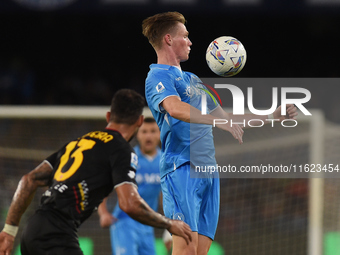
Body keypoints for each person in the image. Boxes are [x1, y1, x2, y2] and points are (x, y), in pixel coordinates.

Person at [142, 11, 298, 255]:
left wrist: (272, 116)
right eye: (185, 36)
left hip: (208, 172)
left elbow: (228, 119)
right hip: (181, 168)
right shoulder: (157, 76)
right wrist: (217, 122)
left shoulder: (193, 80)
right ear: (169, 39)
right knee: (184, 250)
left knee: (199, 252)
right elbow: (174, 108)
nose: (190, 42)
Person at [0, 89, 191, 255]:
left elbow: (29, 179)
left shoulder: (76, 144)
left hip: (31, 231)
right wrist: (169, 223)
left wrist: (9, 230)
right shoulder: (122, 150)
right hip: (56, 235)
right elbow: (129, 204)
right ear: (139, 121)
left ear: (108, 117)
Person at [98, 117, 172, 255]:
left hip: (148, 223)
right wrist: (103, 214)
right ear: (137, 133)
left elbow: (165, 197)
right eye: (144, 131)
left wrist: (169, 228)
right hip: (124, 221)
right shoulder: (128, 158)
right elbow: (104, 187)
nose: (148, 136)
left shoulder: (165, 161)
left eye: (153, 131)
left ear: (160, 133)